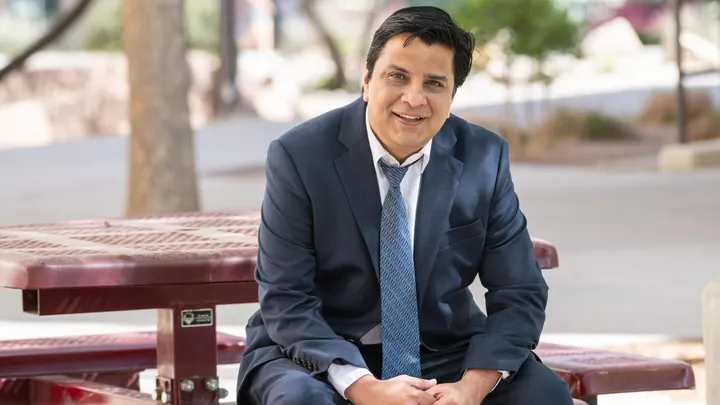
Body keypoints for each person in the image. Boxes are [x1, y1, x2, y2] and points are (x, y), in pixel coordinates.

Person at [236, 6, 574, 405]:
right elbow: (286, 299)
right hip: (315, 354)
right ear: (366, 81)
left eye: (434, 83)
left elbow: (519, 290)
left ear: (451, 95)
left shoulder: (484, 157)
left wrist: (472, 386)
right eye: (397, 76)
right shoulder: (299, 156)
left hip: (442, 351)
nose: (413, 98)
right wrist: (363, 387)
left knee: (545, 396)